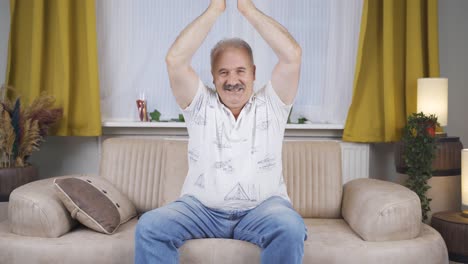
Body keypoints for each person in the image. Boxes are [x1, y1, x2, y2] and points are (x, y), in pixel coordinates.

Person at [135, 0, 305, 263]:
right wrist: (216, 7)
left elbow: (292, 54)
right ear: (213, 77)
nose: (232, 80)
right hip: (201, 211)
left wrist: (246, 7)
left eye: (240, 71)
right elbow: (175, 60)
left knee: (290, 226)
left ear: (254, 73)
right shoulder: (200, 104)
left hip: (262, 210)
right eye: (223, 72)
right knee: (149, 227)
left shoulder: (272, 104)